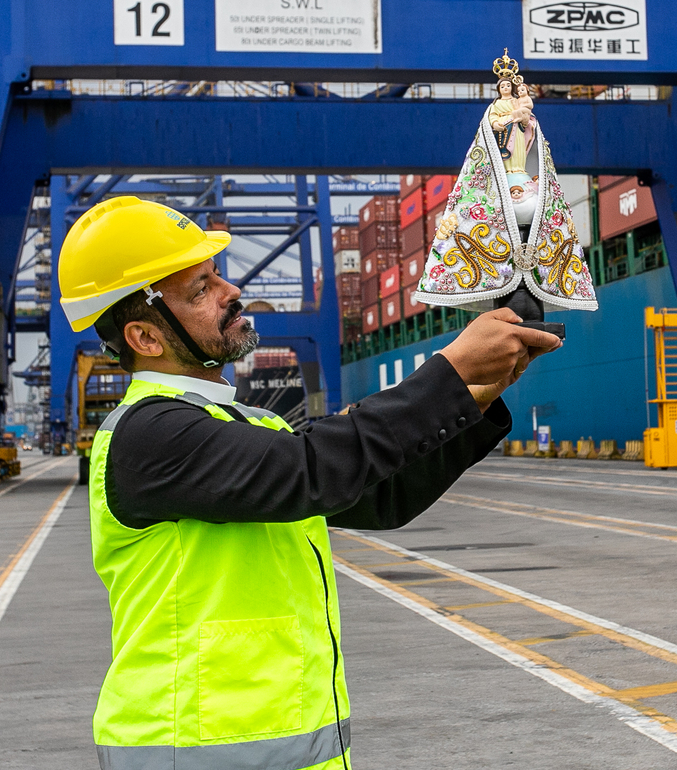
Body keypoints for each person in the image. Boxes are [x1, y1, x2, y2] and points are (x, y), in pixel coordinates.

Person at [58, 195, 559, 770]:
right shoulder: (148, 434)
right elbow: (313, 469)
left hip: (283, 746)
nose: (230, 293)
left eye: (216, 276)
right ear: (146, 338)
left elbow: (379, 495)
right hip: (193, 750)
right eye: (199, 291)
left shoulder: (251, 424)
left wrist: (480, 392)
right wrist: (451, 371)